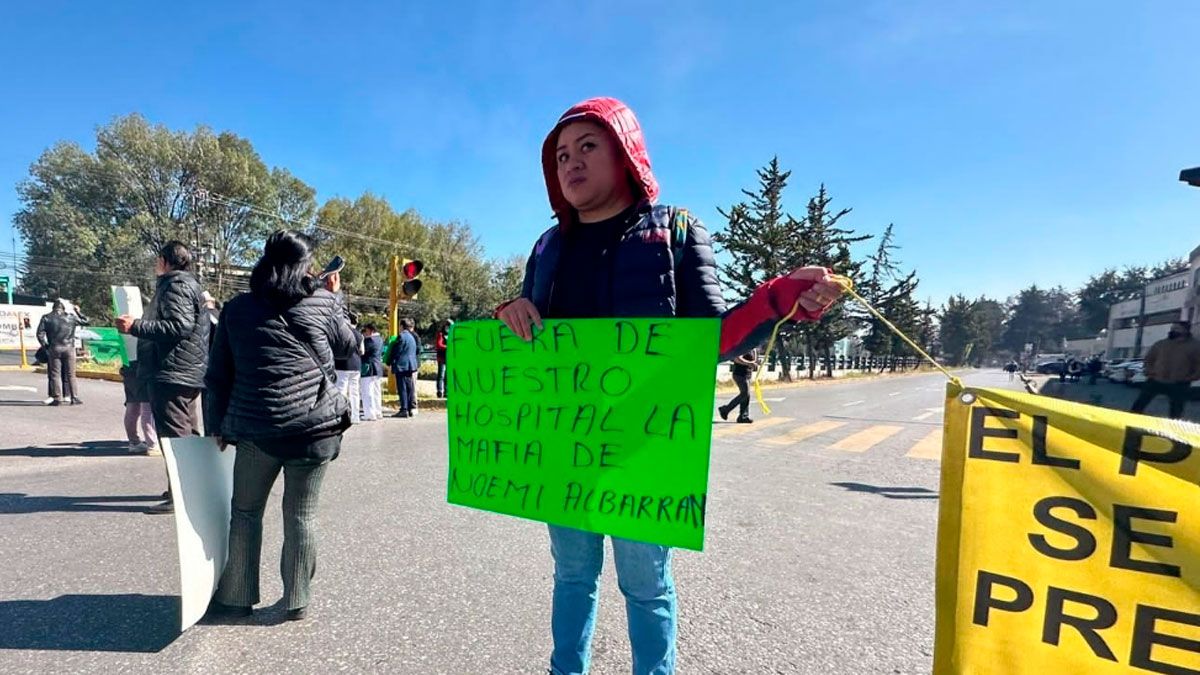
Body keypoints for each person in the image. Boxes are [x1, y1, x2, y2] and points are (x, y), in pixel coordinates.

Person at [496, 96, 843, 675]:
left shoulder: (677, 229)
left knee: (646, 587)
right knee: (572, 577)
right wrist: (509, 310)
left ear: (626, 153)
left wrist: (779, 299)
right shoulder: (548, 246)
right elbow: (524, 332)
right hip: (563, 451)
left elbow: (716, 338)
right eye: (560, 155)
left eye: (588, 147)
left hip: (646, 450)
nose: (571, 164)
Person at [203, 229, 356, 622]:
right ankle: (296, 599)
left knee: (246, 512)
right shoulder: (324, 303)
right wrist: (333, 296)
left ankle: (236, 597)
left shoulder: (236, 309)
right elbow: (348, 347)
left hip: (258, 430)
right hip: (316, 431)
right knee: (302, 515)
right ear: (305, 266)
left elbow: (218, 374)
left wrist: (216, 425)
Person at [116, 241, 210, 514]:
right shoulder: (187, 284)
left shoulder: (175, 285)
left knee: (176, 437)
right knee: (188, 434)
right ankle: (187, 488)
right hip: (184, 370)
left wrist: (136, 326)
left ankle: (182, 496)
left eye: (157, 260)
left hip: (172, 371)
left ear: (165, 261)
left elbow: (179, 326)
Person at [1130, 322, 1200, 420]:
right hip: (1156, 379)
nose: (1172, 331)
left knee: (1176, 409)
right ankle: (1130, 421)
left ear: (1185, 331)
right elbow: (1149, 359)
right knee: (1140, 403)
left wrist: (1192, 377)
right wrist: (1149, 371)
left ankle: (1173, 429)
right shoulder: (1161, 344)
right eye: (1172, 328)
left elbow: (1198, 364)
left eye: (1176, 328)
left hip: (1179, 382)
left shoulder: (1195, 346)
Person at [36, 299, 89, 406]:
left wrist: (46, 346)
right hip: (69, 348)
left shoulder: (46, 317)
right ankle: (74, 397)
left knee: (55, 374)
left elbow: (39, 334)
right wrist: (78, 311)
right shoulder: (71, 317)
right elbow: (86, 321)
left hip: (54, 348)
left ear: (53, 307)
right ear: (63, 308)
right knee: (71, 374)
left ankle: (57, 398)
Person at [121, 361, 157, 454]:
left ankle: (133, 441)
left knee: (132, 407)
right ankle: (152, 444)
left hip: (128, 367)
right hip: (143, 368)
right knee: (147, 408)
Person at [334, 313, 364, 424]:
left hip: (342, 365)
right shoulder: (359, 335)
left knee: (341, 390)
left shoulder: (341, 333)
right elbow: (362, 351)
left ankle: (341, 416)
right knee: (355, 392)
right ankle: (355, 417)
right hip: (356, 366)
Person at [718, 349, 758, 423]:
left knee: (747, 395)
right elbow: (737, 359)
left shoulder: (753, 349)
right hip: (739, 374)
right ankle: (725, 409)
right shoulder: (743, 346)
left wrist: (754, 365)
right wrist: (749, 363)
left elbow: (754, 360)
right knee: (745, 393)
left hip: (747, 374)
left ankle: (743, 416)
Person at [390, 318, 418, 418]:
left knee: (402, 388)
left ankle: (404, 409)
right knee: (409, 388)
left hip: (401, 365)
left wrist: (390, 361)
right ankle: (410, 408)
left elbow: (397, 351)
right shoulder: (412, 336)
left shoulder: (401, 336)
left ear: (401, 326)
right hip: (410, 365)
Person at [359, 324, 384, 421]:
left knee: (367, 391)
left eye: (365, 330)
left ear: (370, 330)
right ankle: (378, 412)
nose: (364, 333)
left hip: (368, 368)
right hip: (377, 368)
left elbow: (361, 352)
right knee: (376, 391)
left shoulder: (369, 341)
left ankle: (369, 414)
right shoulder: (380, 339)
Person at [434, 319, 451, 398]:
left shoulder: (452, 334)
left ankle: (446, 391)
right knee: (441, 375)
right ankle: (439, 391)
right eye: (447, 326)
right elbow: (438, 345)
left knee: (448, 375)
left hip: (449, 357)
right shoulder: (441, 334)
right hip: (441, 357)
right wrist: (448, 347)